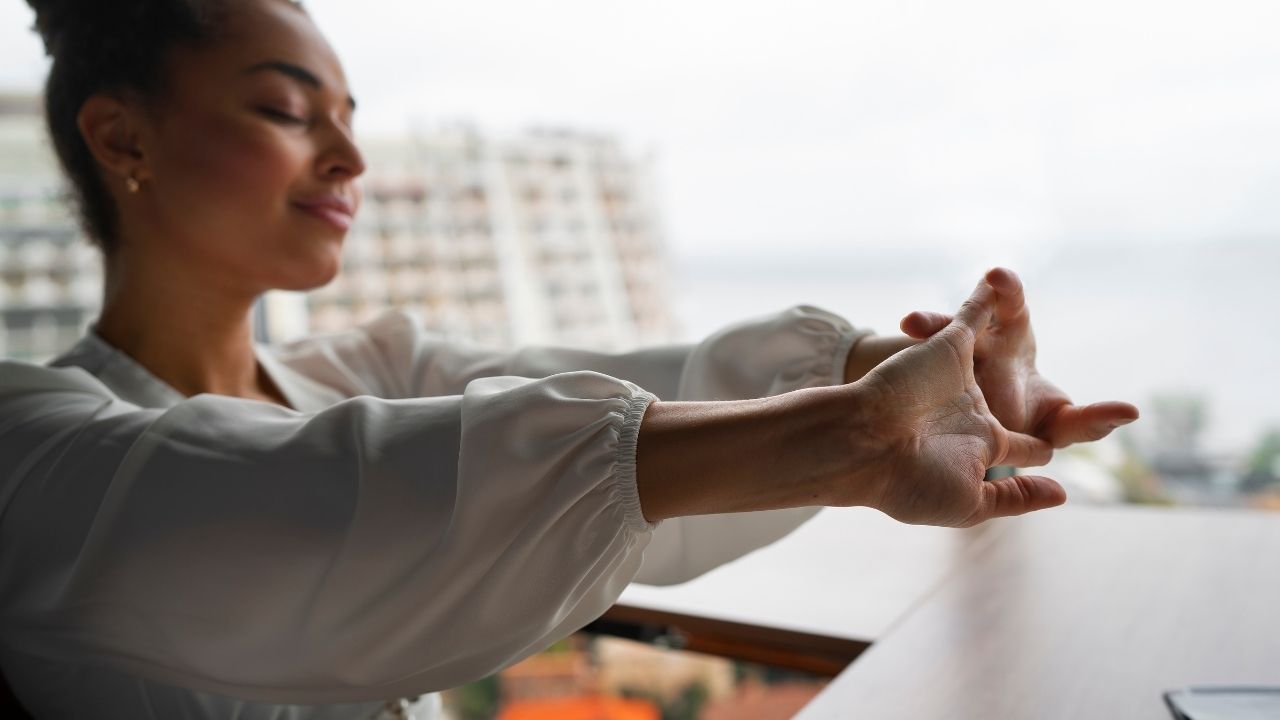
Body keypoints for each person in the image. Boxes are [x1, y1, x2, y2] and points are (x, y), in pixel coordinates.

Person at [0, 0, 1139, 718]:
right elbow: (332, 505)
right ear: (122, 137)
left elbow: (639, 392)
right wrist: (853, 431)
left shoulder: (367, 371)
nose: (349, 155)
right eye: (287, 112)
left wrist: (897, 373)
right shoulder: (27, 440)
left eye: (347, 115)